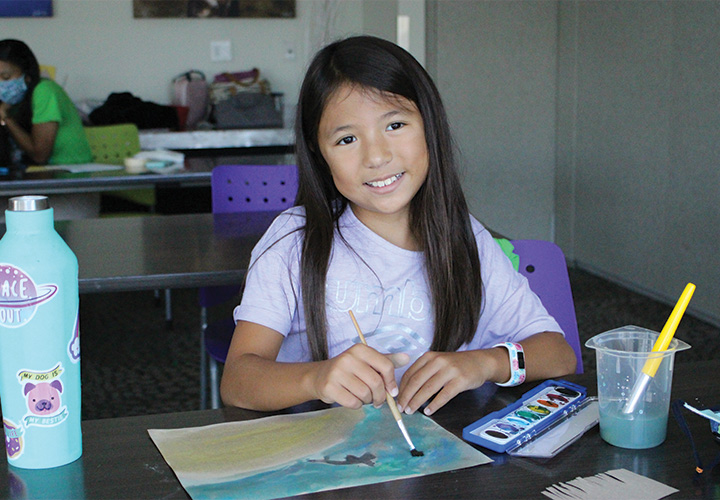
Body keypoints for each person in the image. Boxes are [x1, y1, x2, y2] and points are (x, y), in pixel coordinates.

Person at [221, 35, 576, 417]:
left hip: (436, 463)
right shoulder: (294, 240)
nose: (376, 156)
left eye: (395, 124)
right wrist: (316, 378)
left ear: (429, 124)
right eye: (347, 139)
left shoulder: (465, 238)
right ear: (318, 154)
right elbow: (238, 380)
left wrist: (484, 363)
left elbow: (557, 354)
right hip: (325, 461)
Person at [0, 39, 92, 169]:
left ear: (27, 76)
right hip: (29, 173)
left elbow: (40, 156)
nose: (2, 85)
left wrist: (5, 117)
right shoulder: (12, 100)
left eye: (6, 77)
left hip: (68, 172)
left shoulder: (45, 91)